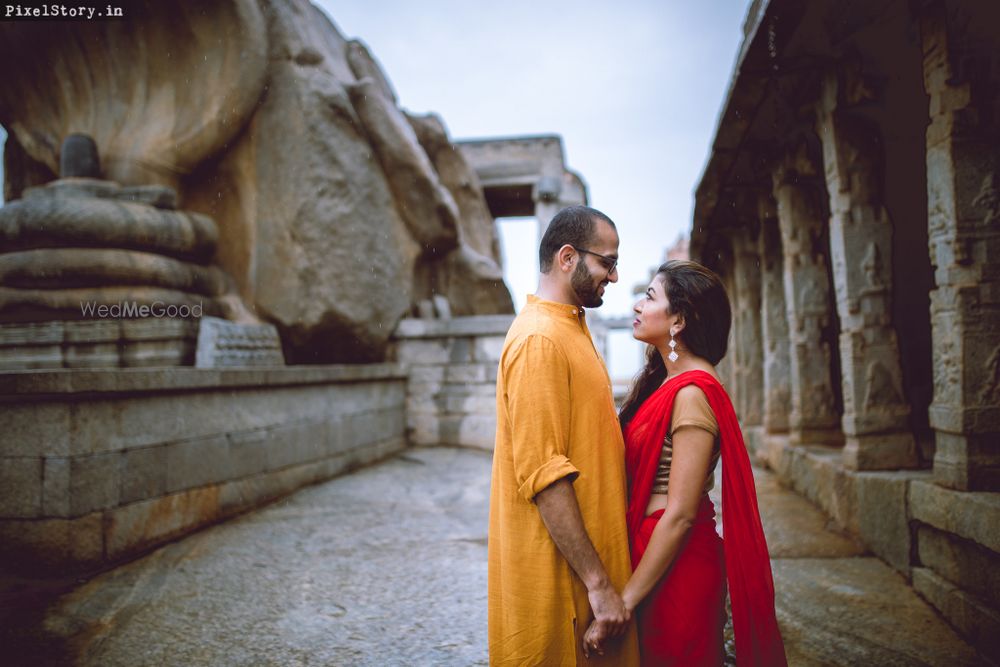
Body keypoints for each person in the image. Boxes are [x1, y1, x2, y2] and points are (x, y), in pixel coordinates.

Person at [584, 260, 786, 666]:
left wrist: (623, 601)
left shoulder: (694, 391)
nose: (638, 306)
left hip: (677, 566)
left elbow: (679, 514)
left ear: (679, 321)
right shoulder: (667, 382)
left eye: (650, 297)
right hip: (652, 555)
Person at [488, 205, 640, 666]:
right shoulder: (540, 340)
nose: (614, 277)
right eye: (608, 263)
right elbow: (545, 475)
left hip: (586, 582)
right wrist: (598, 585)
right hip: (561, 591)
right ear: (568, 257)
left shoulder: (568, 327)